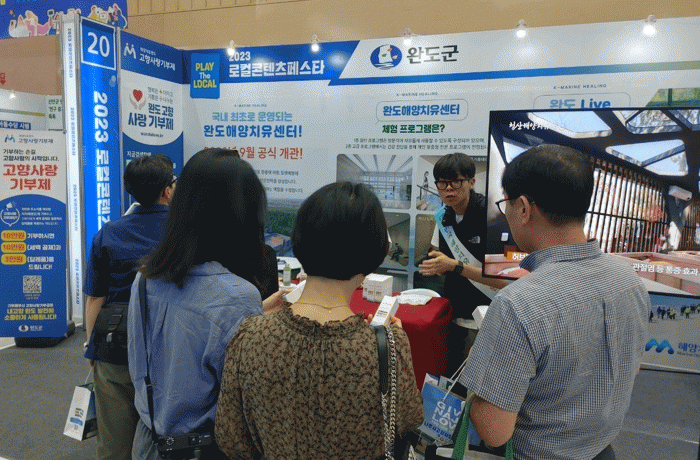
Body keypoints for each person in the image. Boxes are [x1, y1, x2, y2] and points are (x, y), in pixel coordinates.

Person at [459, 144, 649, 460]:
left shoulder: (518, 303)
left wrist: (480, 378)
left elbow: (494, 431)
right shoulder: (628, 279)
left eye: (506, 204)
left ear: (523, 208)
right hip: (604, 451)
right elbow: (634, 365)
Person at [214, 182, 424, 460]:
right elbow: (408, 419)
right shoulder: (387, 346)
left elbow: (232, 440)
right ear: (375, 252)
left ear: (300, 240)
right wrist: (392, 344)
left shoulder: (250, 335)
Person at [127, 148, 268, 459]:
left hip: (148, 440)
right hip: (204, 448)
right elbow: (245, 402)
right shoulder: (237, 297)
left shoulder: (146, 276)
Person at [83, 154, 175, 460]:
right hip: (168, 345)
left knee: (114, 443)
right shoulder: (183, 233)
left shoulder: (108, 232)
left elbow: (95, 297)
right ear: (167, 190)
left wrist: (91, 345)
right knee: (168, 439)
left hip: (114, 342)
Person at [418, 153, 507, 375]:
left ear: (471, 182)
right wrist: (436, 266)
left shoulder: (493, 217)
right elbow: (439, 258)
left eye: (456, 181)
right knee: (449, 378)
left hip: (487, 318)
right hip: (453, 312)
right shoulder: (443, 217)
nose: (449, 189)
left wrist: (455, 266)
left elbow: (504, 280)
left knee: (477, 383)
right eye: (442, 183)